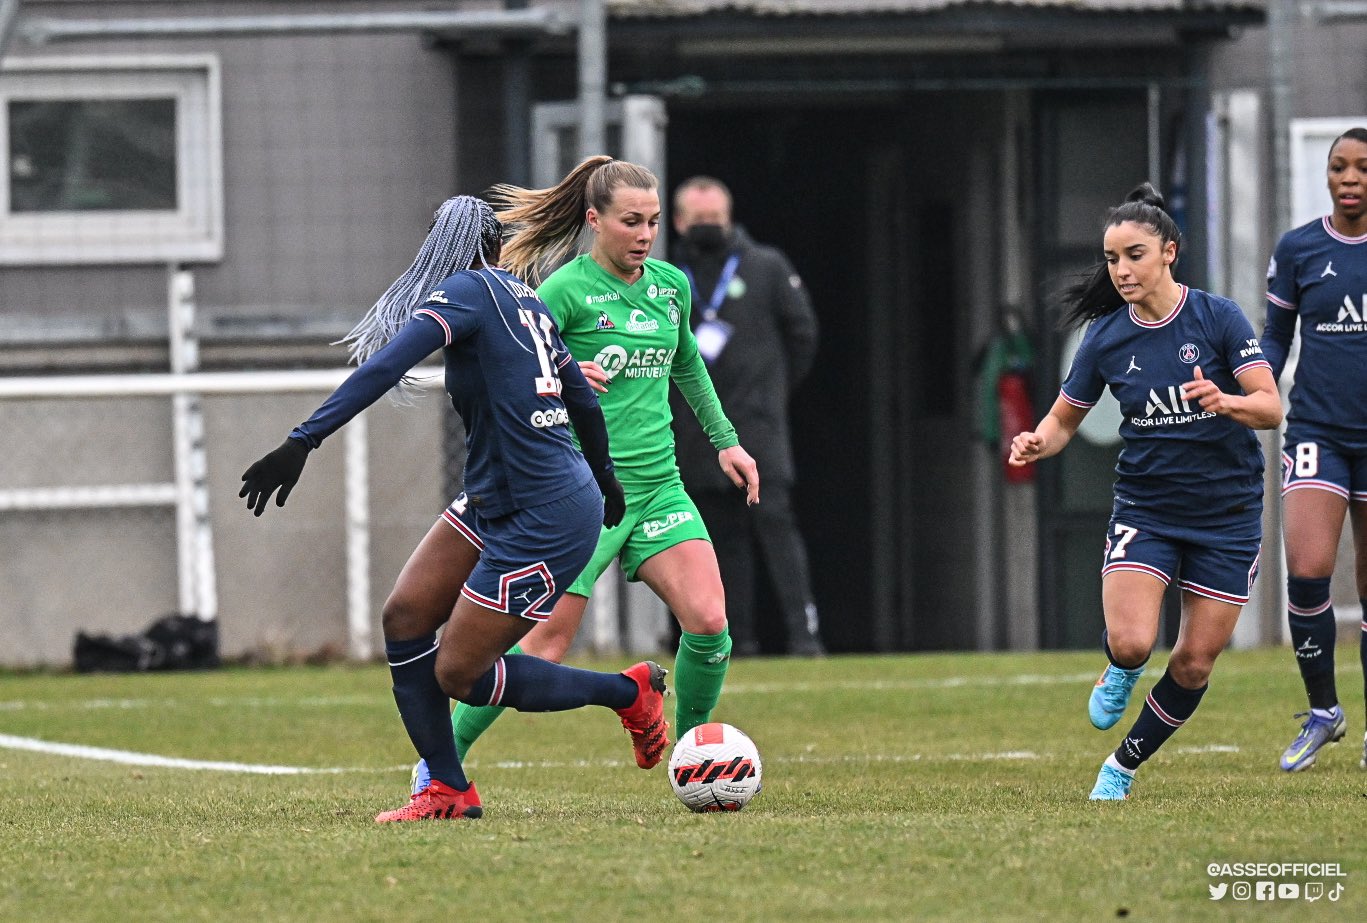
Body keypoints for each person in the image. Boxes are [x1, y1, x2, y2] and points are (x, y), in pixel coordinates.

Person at [239, 195, 670, 822]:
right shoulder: (524, 300)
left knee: (459, 674)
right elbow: (580, 395)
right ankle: (447, 787)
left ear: (449, 247)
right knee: (405, 615)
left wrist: (303, 440)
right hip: (501, 495)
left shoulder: (467, 291)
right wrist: (604, 478)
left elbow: (387, 363)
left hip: (545, 511)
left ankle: (626, 692)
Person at [409, 157, 760, 792]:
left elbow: (686, 364)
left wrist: (727, 444)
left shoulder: (670, 286)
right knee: (541, 649)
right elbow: (516, 362)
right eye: (632, 221)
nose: (645, 234)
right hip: (582, 493)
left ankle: (695, 754)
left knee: (709, 622)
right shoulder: (561, 292)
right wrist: (569, 373)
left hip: (656, 487)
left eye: (653, 222)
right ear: (594, 220)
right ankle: (439, 763)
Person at [1009, 183, 1282, 800]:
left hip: (1228, 513)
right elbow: (1062, 420)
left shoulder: (1217, 318)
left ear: (1169, 252)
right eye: (1112, 259)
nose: (1122, 270)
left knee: (1192, 663)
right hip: (1149, 508)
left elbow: (1270, 406)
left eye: (1134, 255)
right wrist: (1036, 441)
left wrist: (1225, 401)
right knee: (1134, 643)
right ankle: (1121, 669)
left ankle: (1123, 765)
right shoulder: (1105, 337)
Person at [668, 176, 824, 657]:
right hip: (696, 438)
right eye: (698, 221)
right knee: (718, 542)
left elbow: (804, 337)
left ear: (730, 217)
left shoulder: (766, 267)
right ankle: (739, 642)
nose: (707, 228)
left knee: (775, 527)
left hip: (759, 430)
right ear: (678, 223)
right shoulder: (667, 276)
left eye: (714, 219)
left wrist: (770, 394)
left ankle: (804, 636)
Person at [1263, 126, 1367, 772]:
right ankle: (1323, 709)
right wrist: (1247, 396)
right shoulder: (1298, 249)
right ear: (1325, 176)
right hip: (1316, 433)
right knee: (1305, 569)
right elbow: (1272, 340)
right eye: (1338, 166)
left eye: (1360, 167)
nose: (1349, 177)